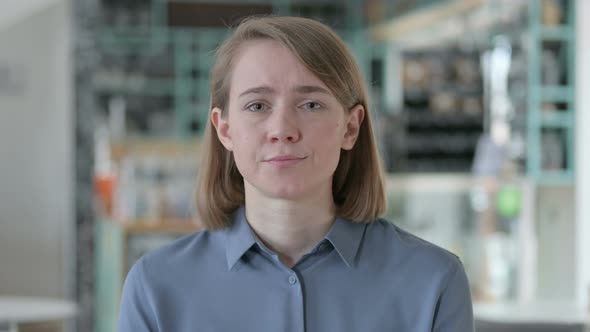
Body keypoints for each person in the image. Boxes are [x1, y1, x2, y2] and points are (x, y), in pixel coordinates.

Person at [118, 16, 474, 332]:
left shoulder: (435, 281)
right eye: (257, 105)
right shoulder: (156, 286)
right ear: (224, 130)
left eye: (311, 104)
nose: (282, 129)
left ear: (350, 128)